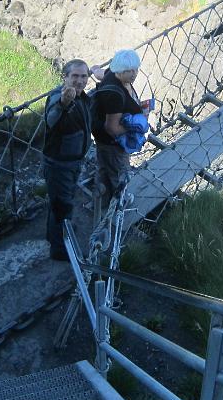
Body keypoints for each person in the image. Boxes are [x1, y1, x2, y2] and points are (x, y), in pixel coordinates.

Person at [41, 59, 93, 260]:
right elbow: (52, 119)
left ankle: (53, 237)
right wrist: (64, 103)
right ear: (65, 77)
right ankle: (61, 251)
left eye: (83, 76)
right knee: (63, 206)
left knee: (58, 203)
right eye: (75, 76)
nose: (80, 81)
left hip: (71, 162)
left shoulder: (82, 97)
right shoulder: (59, 97)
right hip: (59, 164)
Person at [92, 49, 145, 214]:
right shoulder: (114, 95)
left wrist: (93, 69)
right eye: (129, 71)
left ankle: (102, 196)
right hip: (113, 142)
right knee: (119, 171)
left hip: (102, 139)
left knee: (104, 166)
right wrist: (138, 124)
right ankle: (119, 204)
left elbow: (100, 73)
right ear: (120, 71)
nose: (134, 74)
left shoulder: (112, 74)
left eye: (136, 69)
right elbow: (112, 128)